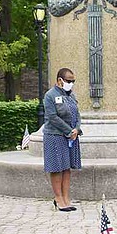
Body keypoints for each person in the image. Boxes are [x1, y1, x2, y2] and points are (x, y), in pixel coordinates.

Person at [42, 68, 83, 212]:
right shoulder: (50, 95)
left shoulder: (71, 95)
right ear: (60, 80)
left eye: (73, 81)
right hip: (55, 136)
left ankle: (66, 198)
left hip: (71, 136)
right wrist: (68, 130)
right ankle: (58, 198)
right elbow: (52, 117)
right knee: (57, 168)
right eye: (68, 81)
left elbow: (77, 114)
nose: (71, 84)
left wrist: (76, 129)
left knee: (66, 168)